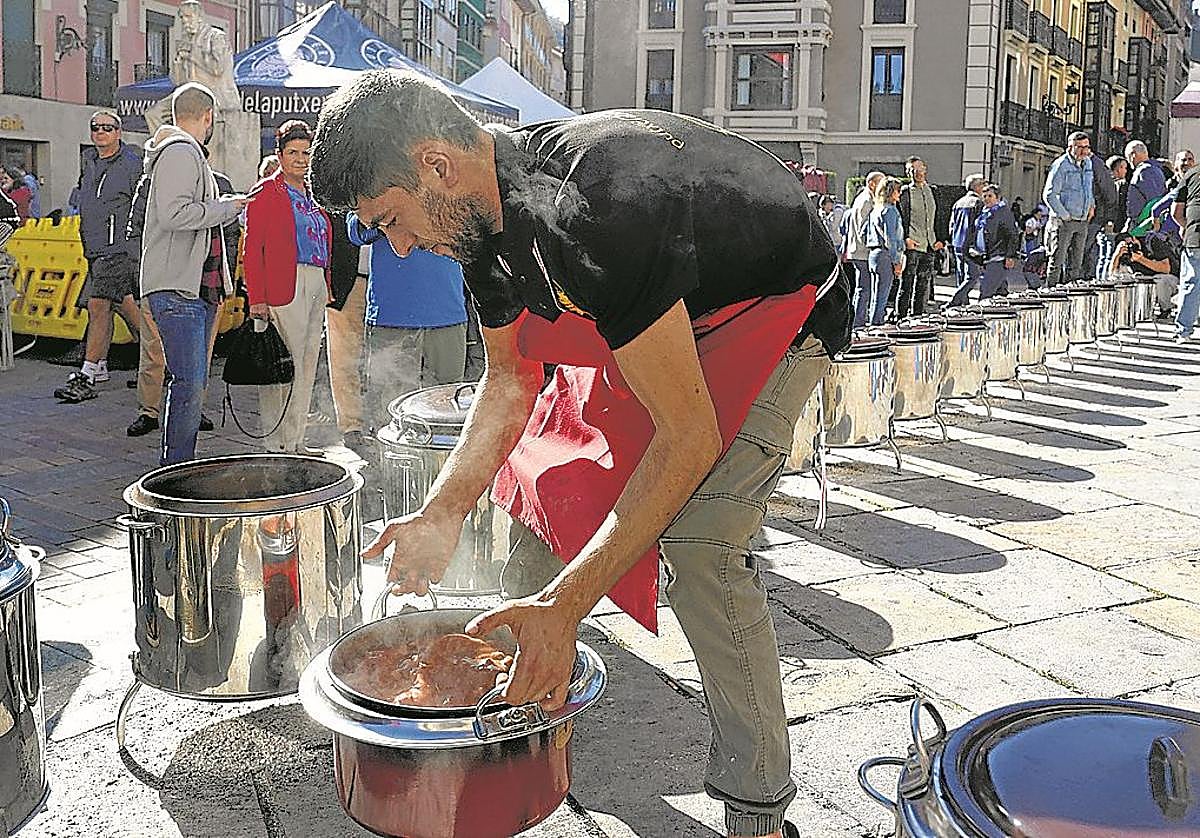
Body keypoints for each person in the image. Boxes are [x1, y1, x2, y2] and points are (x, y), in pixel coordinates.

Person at [309, 70, 850, 838]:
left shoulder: (597, 206)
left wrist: (567, 605)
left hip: (782, 307)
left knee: (703, 544)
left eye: (391, 220)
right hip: (668, 312)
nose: (399, 246)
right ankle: (519, 702)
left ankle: (757, 810)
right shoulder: (481, 227)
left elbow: (688, 436)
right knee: (545, 481)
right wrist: (441, 512)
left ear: (436, 164)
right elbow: (509, 381)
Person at [140, 82, 248, 464]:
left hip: (192, 288)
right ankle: (175, 469)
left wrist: (223, 205)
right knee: (187, 383)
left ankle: (178, 465)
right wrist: (227, 208)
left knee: (189, 382)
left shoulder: (184, 153)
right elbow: (175, 214)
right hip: (178, 288)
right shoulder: (181, 151)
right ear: (208, 116)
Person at [126, 150, 239, 437]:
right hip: (164, 281)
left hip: (208, 284)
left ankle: (193, 409)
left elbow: (230, 234)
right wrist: (142, 275)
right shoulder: (152, 182)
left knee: (200, 356)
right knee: (153, 351)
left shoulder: (219, 184)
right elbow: (135, 230)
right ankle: (148, 411)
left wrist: (225, 278)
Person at [243, 119, 332, 454]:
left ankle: (295, 441)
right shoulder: (266, 191)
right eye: (293, 152)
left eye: (306, 153)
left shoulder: (314, 193)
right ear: (279, 154)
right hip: (284, 284)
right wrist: (257, 299)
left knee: (306, 365)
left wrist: (327, 284)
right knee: (280, 365)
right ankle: (275, 442)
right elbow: (252, 249)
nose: (300, 159)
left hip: (315, 282)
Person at [53, 111, 144, 404]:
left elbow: (141, 203)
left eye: (108, 127)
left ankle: (88, 373)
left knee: (98, 304)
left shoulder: (131, 163)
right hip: (94, 248)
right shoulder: (89, 161)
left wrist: (132, 240)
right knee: (123, 305)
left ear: (119, 132)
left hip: (117, 248)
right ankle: (157, 360)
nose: (101, 132)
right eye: (96, 127)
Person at [348, 218, 468, 432]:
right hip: (392, 315)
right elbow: (355, 233)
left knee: (448, 407)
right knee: (389, 412)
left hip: (448, 312)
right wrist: (389, 217)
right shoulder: (375, 196)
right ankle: (387, 454)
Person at [1042, 131, 1095, 286]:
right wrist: (1064, 215)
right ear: (1070, 147)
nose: (1084, 151)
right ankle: (1051, 292)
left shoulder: (1088, 163)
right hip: (1064, 221)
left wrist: (1091, 206)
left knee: (1076, 263)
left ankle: (1072, 294)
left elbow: (1088, 188)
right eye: (1080, 147)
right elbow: (1049, 194)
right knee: (1057, 261)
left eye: (1086, 147)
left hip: (1082, 219)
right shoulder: (1061, 165)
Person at [897, 156, 941, 317]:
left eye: (920, 168)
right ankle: (901, 316)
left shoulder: (933, 191)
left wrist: (941, 240)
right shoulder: (905, 192)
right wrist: (905, 239)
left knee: (923, 284)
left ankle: (918, 316)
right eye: (913, 170)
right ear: (908, 172)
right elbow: (900, 217)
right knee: (907, 283)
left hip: (930, 244)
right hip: (913, 243)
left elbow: (940, 216)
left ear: (925, 169)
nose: (918, 172)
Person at [843, 171, 884, 327]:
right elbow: (863, 230)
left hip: (858, 251)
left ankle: (857, 321)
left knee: (863, 288)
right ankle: (857, 322)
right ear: (871, 184)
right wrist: (873, 246)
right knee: (864, 289)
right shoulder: (867, 201)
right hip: (863, 252)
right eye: (880, 182)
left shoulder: (862, 198)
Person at [1109, 229, 1181, 319]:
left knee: (1160, 280)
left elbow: (1166, 269)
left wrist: (1141, 259)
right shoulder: (1124, 253)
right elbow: (1112, 275)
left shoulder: (1153, 242)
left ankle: (1165, 309)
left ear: (1134, 238)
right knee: (1124, 279)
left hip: (1170, 280)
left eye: (1131, 244)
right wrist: (1117, 255)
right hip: (1144, 282)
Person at [866, 176, 905, 326]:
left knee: (875, 295)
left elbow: (864, 233)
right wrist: (896, 261)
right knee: (882, 295)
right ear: (890, 192)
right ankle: (877, 325)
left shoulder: (875, 209)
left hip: (873, 254)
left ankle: (872, 323)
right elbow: (891, 239)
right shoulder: (890, 211)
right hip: (885, 255)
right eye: (897, 190)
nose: (899, 193)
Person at [973, 183, 1021, 300]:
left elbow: (1013, 235)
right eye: (984, 196)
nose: (986, 199)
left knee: (986, 291)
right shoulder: (984, 212)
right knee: (1000, 291)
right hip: (985, 256)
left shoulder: (1003, 212)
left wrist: (1010, 256)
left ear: (997, 197)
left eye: (990, 196)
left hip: (998, 256)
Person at [1171, 164, 1200, 342]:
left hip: (1195, 234)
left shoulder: (1191, 174)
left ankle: (1184, 331)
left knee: (1191, 283)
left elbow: (1176, 212)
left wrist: (1186, 226)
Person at [947, 174, 985, 307]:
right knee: (972, 276)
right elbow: (979, 226)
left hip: (957, 242)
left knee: (961, 275)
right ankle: (955, 301)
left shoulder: (958, 203)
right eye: (983, 184)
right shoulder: (978, 203)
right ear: (976, 187)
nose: (984, 187)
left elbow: (952, 224)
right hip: (969, 244)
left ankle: (962, 304)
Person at [1091, 153, 1124, 283]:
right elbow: (1113, 203)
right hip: (1108, 223)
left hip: (1101, 221)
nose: (1125, 171)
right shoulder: (1117, 185)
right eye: (1123, 167)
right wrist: (1110, 220)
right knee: (1107, 255)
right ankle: (1103, 281)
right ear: (1116, 169)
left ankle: (1100, 279)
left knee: (1102, 255)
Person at [1127, 140, 1167, 226]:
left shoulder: (1145, 171)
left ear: (1133, 155)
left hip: (1144, 225)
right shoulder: (1153, 169)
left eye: (1127, 157)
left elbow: (1155, 201)